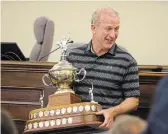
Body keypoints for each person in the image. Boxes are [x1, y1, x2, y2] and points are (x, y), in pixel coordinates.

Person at [67, 7, 140, 130]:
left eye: (116, 29)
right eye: (108, 29)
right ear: (93, 28)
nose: (113, 35)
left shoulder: (127, 60)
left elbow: (133, 101)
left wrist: (112, 111)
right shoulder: (73, 56)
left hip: (106, 127)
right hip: (75, 125)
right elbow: (64, 89)